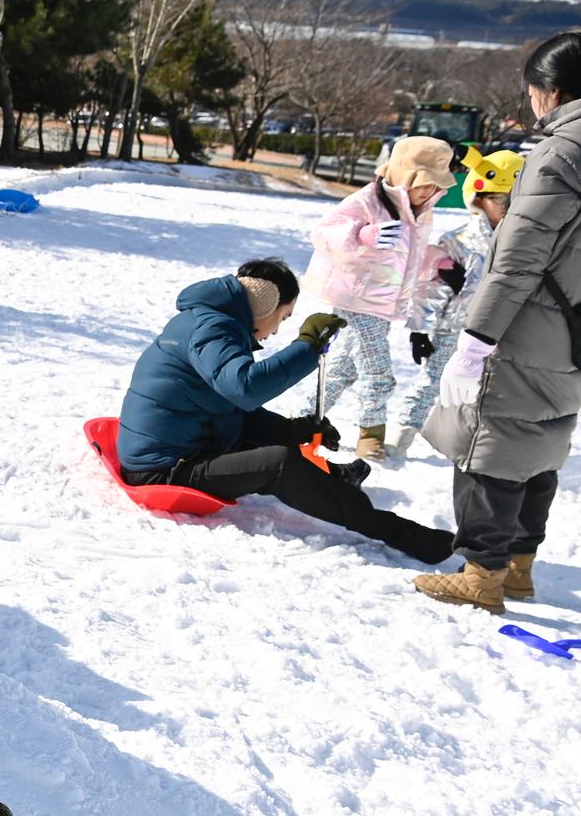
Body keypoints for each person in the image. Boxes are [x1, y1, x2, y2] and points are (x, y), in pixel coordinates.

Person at [116, 258, 455, 564]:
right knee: (279, 464)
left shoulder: (206, 321)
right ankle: (402, 533)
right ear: (265, 305)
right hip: (166, 470)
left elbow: (228, 406)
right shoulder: (214, 330)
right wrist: (307, 347)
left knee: (279, 444)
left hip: (181, 447)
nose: (277, 329)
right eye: (283, 317)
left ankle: (334, 480)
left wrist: (298, 430)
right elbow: (245, 389)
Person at [418, 31, 581, 612]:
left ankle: (482, 575)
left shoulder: (560, 154)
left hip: (525, 325)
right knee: (543, 440)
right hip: (573, 332)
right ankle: (519, 567)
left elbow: (515, 262)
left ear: (551, 92)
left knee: (489, 445)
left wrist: (474, 340)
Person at [303, 135, 458, 461]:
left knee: (344, 369)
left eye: (435, 187)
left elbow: (408, 256)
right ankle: (370, 436)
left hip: (384, 303)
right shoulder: (368, 200)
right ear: (404, 175)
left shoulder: (420, 211)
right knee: (377, 371)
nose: (428, 193)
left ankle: (301, 423)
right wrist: (361, 235)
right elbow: (323, 233)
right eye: (422, 185)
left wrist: (436, 263)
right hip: (354, 298)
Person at [391, 147, 524, 456]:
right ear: (478, 199)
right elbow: (429, 289)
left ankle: (480, 442)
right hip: (457, 328)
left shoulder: (526, 242)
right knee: (433, 381)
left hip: (505, 332)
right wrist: (420, 330)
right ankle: (403, 433)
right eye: (499, 199)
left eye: (512, 200)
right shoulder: (458, 241)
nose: (505, 207)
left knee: (494, 390)